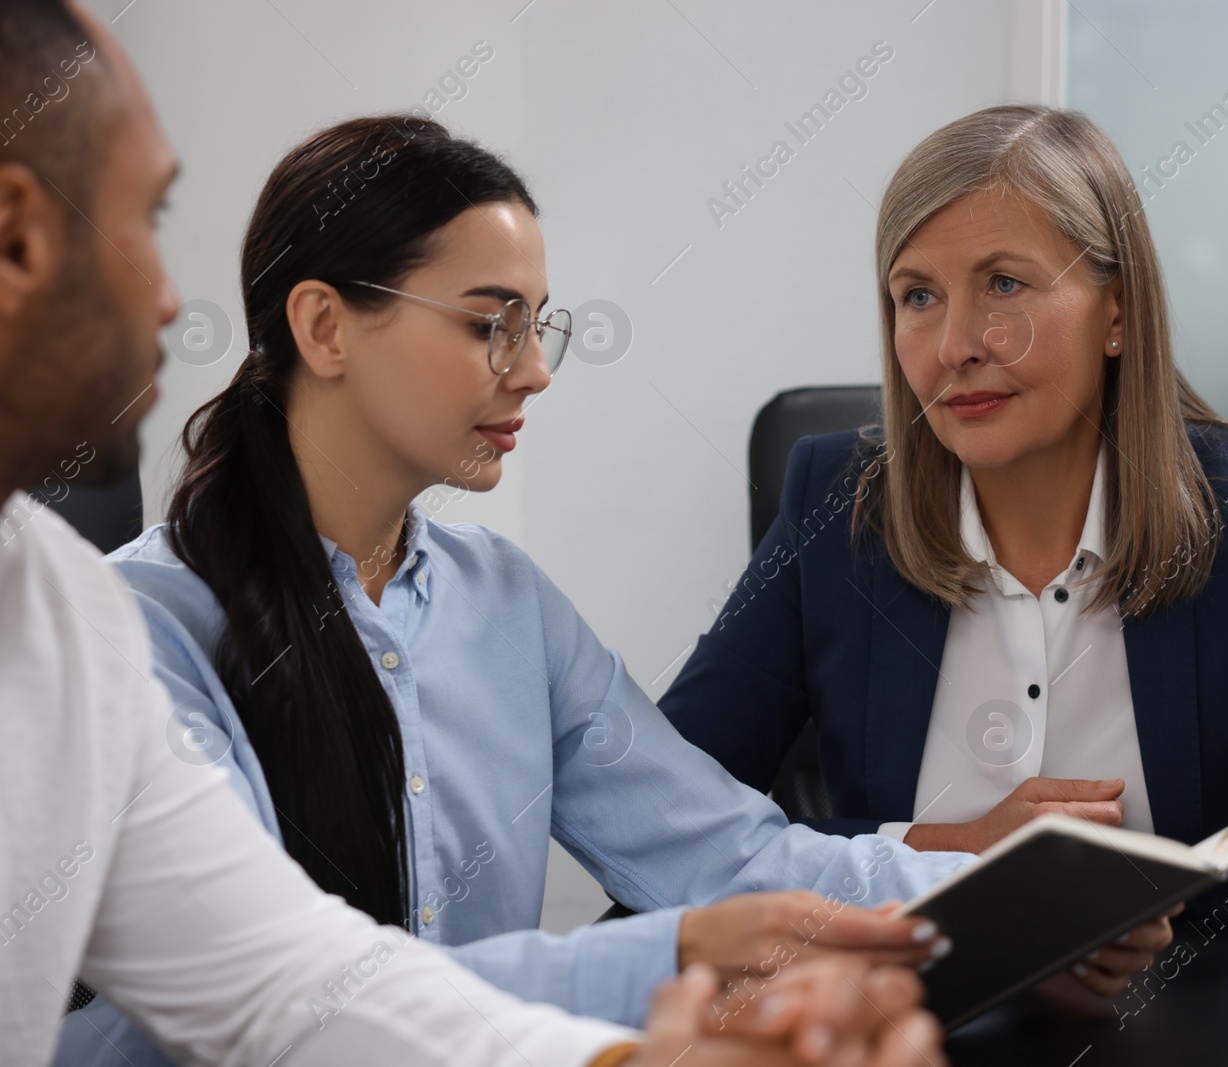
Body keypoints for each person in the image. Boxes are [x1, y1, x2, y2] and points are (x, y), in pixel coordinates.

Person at [0, 3, 945, 1066]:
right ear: (322, 328)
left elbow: (293, 983)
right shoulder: (136, 622)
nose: (533, 366)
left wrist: (1018, 873)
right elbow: (259, 1013)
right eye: (490, 320)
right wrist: (675, 958)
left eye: (537, 324)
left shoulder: (502, 602)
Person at [659, 105, 1228, 975]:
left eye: (1005, 284)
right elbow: (664, 825)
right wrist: (945, 853)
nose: (953, 346)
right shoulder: (835, 507)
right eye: (918, 295)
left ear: (1118, 313)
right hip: (921, 1015)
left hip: (1216, 1006)